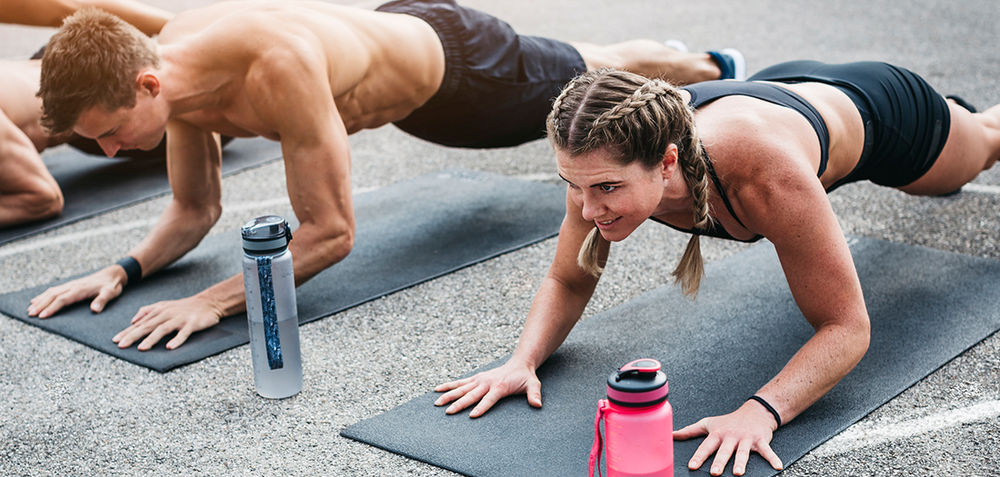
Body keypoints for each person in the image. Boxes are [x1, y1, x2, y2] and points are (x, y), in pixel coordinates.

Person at [25, 1, 745, 350]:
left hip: (462, 76)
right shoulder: (174, 78)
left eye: (111, 132)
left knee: (596, 66)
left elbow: (332, 232)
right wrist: (124, 268)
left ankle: (714, 72)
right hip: (407, 71)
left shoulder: (275, 67)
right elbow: (193, 208)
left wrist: (211, 302)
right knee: (585, 53)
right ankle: (692, 64)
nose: (113, 152)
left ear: (147, 85)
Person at [432, 62, 999, 476]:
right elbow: (569, 275)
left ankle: (961, 120)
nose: (588, 210)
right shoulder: (598, 165)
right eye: (573, 187)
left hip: (878, 109)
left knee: (980, 147)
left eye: (606, 189)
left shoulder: (763, 175)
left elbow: (847, 327)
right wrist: (521, 360)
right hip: (778, 87)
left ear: (668, 161)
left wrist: (761, 413)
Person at [0, 0, 173, 226]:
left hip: (94, 107)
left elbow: (44, 198)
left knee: (197, 104)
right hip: (52, 81)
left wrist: (172, 26)